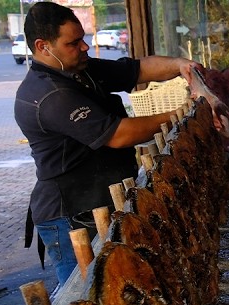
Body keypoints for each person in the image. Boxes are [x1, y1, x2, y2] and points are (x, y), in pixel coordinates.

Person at [15, 1, 200, 282]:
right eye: (73, 43)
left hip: (98, 201)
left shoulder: (78, 69)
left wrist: (180, 65)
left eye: (83, 39)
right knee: (85, 295)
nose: (84, 47)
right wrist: (182, 111)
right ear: (43, 46)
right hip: (71, 215)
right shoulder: (50, 95)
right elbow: (118, 135)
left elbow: (138, 69)